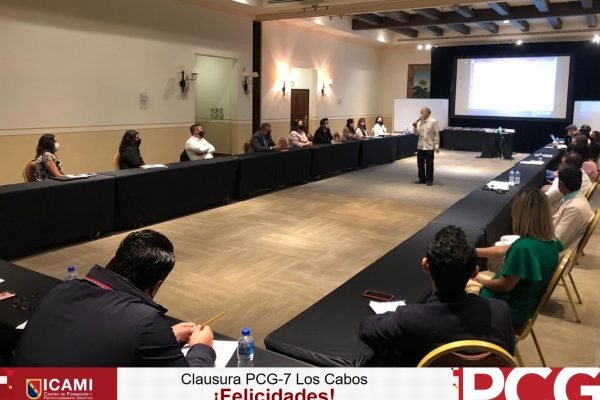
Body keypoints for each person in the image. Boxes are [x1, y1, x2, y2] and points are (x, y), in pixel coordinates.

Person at [12, 230, 216, 367]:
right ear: (157, 285)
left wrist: (163, 339)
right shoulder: (145, 321)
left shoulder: (62, 289)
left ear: (113, 260)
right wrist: (201, 348)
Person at [359, 225, 514, 366]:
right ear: (475, 273)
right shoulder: (501, 311)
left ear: (426, 265)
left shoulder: (410, 318)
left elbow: (366, 328)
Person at [474, 187, 564, 327]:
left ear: (520, 215)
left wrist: (478, 279)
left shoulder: (523, 248)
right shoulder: (551, 242)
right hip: (524, 305)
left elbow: (503, 286)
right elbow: (502, 250)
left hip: (507, 309)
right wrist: (473, 251)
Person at [553, 165, 595, 251]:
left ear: (560, 184)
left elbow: (557, 241)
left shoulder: (575, 209)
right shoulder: (574, 198)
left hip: (556, 253)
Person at [412, 107, 440, 186]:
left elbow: (436, 134)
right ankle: (421, 179)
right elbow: (416, 133)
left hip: (429, 147)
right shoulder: (419, 122)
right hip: (420, 146)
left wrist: (437, 145)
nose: (421, 114)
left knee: (429, 164)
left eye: (422, 112)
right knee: (420, 164)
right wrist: (414, 127)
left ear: (428, 113)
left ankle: (429, 180)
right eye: (420, 112)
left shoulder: (433, 121)